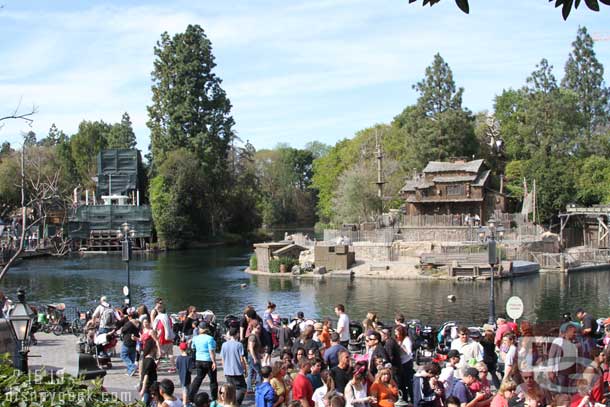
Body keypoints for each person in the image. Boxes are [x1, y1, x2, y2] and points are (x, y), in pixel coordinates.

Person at [189, 321, 218, 402]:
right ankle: (214, 398)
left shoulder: (195, 338)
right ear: (207, 329)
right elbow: (211, 351)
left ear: (199, 329)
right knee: (213, 380)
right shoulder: (210, 338)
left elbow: (193, 348)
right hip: (208, 360)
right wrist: (214, 362)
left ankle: (191, 395)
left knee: (198, 378)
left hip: (198, 360)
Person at [221, 327, 248, 406]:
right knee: (242, 387)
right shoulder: (239, 345)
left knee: (230, 388)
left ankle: (229, 402)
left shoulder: (224, 345)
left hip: (227, 370)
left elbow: (222, 359)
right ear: (237, 334)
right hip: (237, 370)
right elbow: (241, 359)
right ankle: (236, 403)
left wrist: (224, 369)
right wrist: (245, 369)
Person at [394, 325, 414, 403]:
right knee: (401, 382)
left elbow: (409, 352)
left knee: (408, 381)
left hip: (407, 362)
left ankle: (412, 399)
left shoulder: (406, 340)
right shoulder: (398, 339)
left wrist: (401, 347)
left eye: (396, 331)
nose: (395, 333)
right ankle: (404, 398)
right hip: (401, 362)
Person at [119, 309, 140, 376]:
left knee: (123, 355)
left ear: (130, 317)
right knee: (132, 356)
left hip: (127, 341)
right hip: (134, 341)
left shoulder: (129, 323)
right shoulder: (139, 323)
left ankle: (132, 367)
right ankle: (130, 371)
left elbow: (123, 330)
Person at [479, 324, 500, 390]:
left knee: (482, 375)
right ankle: (498, 387)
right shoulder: (493, 340)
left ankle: (481, 388)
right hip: (492, 359)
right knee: (494, 375)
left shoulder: (484, 342)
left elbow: (479, 340)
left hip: (486, 360)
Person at [140, 338, 159, 406]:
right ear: (152, 348)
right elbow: (146, 375)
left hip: (147, 386)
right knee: (146, 403)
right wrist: (143, 389)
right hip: (148, 387)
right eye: (155, 347)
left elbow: (143, 372)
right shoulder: (150, 361)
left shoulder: (145, 359)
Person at [248, 321, 264, 394]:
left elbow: (255, 348)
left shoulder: (256, 335)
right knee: (259, 372)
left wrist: (259, 354)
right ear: (254, 327)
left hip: (254, 355)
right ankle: (259, 387)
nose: (259, 329)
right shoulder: (253, 336)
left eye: (260, 328)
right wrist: (255, 358)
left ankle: (249, 388)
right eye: (258, 328)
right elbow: (251, 348)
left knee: (251, 372)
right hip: (252, 356)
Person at [176, 342, 194, 407]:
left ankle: (187, 401)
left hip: (181, 376)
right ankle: (184, 403)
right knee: (186, 390)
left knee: (185, 389)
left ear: (180, 349)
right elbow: (191, 369)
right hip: (187, 376)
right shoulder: (189, 358)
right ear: (187, 348)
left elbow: (177, 367)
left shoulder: (178, 358)